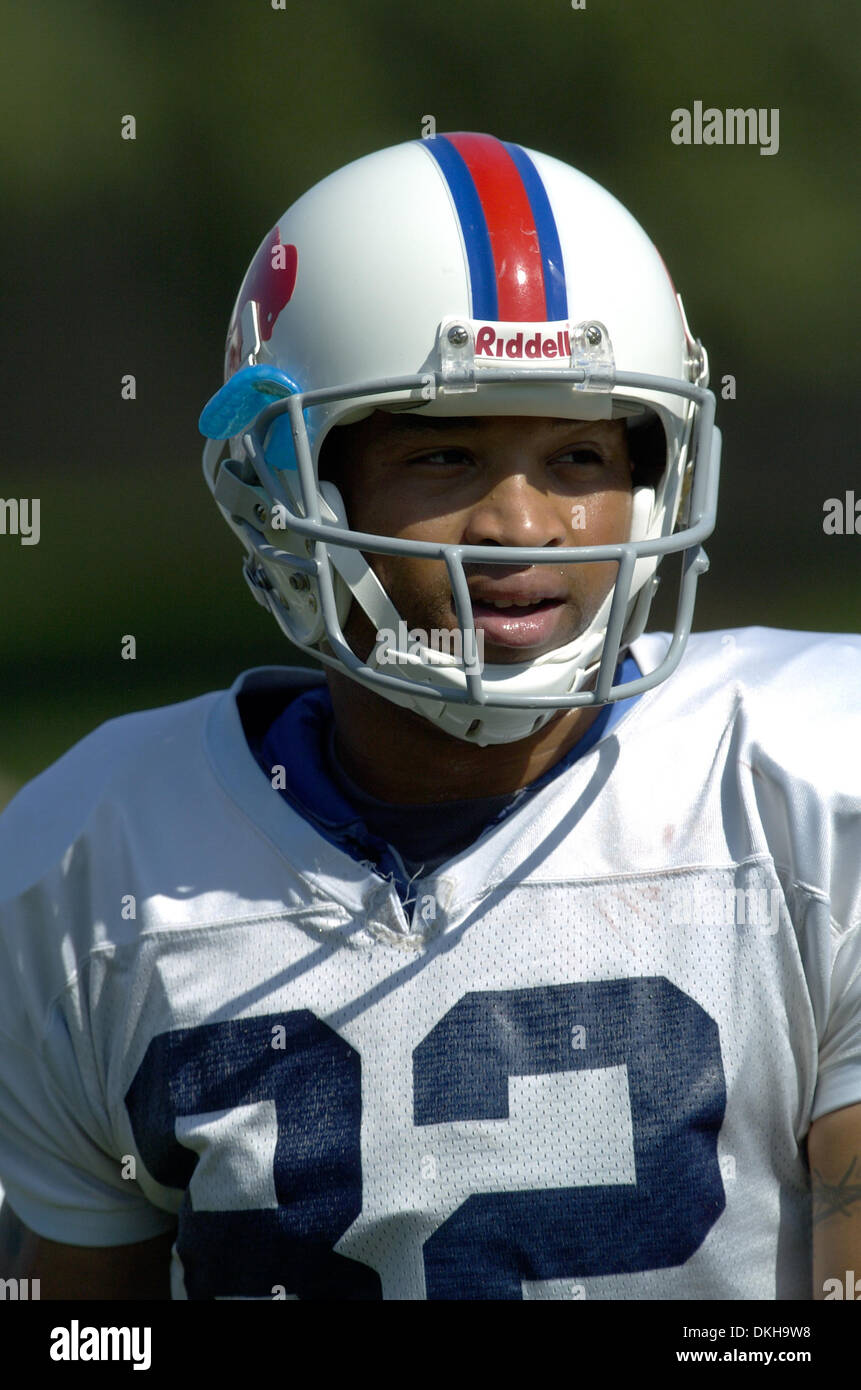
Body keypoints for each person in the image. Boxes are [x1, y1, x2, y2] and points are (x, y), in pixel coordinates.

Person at [0, 132, 858, 1301]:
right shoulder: (90, 868)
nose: (524, 524)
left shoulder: (808, 782)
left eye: (578, 453)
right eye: (446, 453)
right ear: (289, 487)